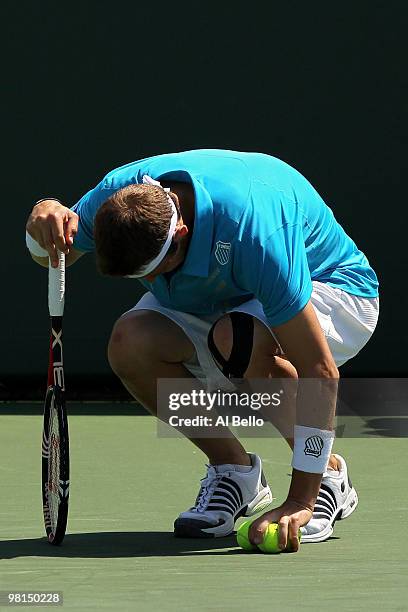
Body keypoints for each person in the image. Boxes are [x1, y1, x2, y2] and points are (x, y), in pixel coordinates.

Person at [26, 149, 379, 552]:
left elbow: (319, 368)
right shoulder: (115, 196)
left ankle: (328, 477)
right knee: (131, 343)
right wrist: (43, 214)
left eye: (156, 271)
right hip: (229, 296)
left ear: (180, 234)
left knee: (238, 340)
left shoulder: (254, 232)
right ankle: (236, 471)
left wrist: (300, 499)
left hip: (334, 292)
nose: (157, 282)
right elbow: (55, 253)